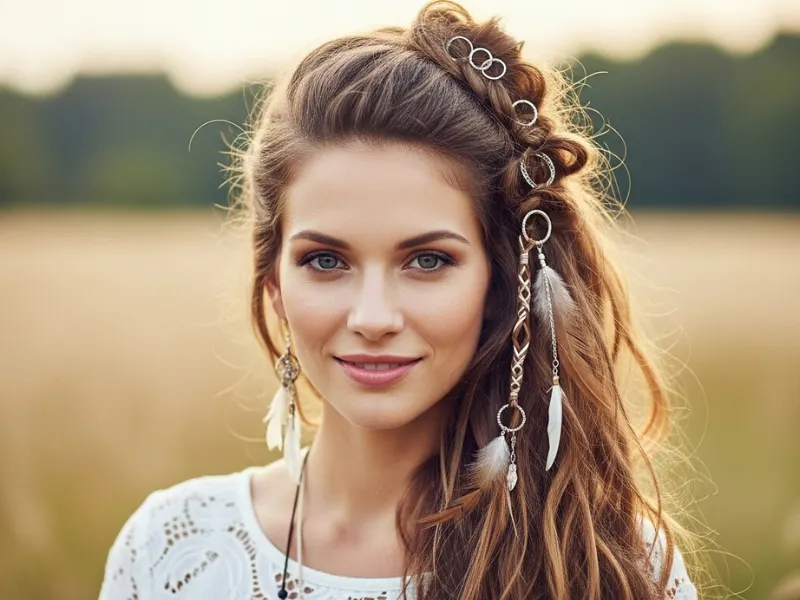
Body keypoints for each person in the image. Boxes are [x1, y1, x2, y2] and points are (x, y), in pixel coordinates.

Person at [98, 1, 701, 598]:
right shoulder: (169, 551)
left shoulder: (611, 568)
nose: (374, 318)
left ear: (503, 282)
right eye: (326, 261)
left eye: (428, 261)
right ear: (275, 285)